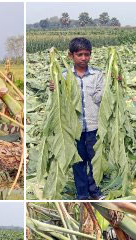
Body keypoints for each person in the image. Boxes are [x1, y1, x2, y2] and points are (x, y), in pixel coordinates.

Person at [48, 37, 109, 200]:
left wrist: (112, 85)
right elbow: (58, 101)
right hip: (73, 128)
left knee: (94, 160)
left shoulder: (97, 75)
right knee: (78, 162)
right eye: (80, 54)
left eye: (87, 54)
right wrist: (54, 89)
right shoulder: (62, 75)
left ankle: (95, 192)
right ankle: (82, 194)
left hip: (93, 126)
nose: (83, 58)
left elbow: (100, 98)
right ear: (71, 56)